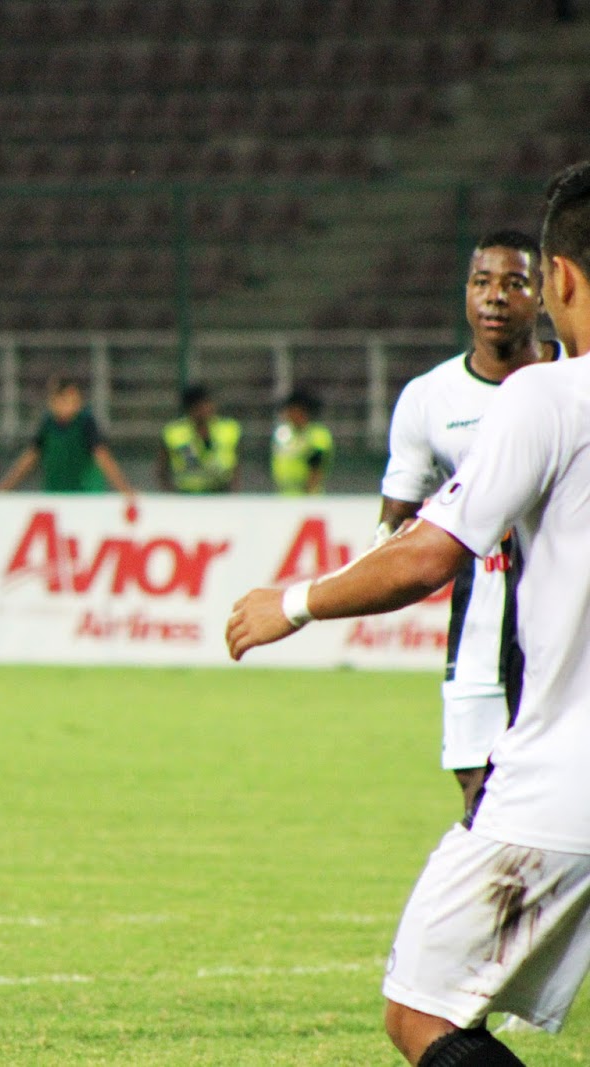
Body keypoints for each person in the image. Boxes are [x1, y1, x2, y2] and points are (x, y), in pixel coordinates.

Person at [225, 161, 590, 1067]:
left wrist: (295, 601)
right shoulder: (438, 397)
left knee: (419, 1009)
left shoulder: (546, 396)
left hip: (565, 776)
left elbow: (428, 552)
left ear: (561, 279)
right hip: (523, 727)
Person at [376, 229, 562, 819]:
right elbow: (395, 525)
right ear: (465, 293)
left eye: (514, 283)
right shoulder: (430, 398)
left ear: (544, 294)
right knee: (482, 804)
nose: (495, 298)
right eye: (482, 282)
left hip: (565, 620)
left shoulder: (574, 380)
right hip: (480, 625)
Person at [0, 375, 138, 507]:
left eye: (74, 401)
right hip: (56, 498)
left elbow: (103, 457)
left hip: (85, 499)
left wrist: (125, 489)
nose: (71, 405)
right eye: (65, 400)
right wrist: (4, 486)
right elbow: (29, 457)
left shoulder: (85, 422)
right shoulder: (48, 424)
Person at [158, 382, 241, 493]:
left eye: (208, 404)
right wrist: (171, 495)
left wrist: (235, 493)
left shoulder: (228, 429)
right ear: (190, 409)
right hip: (187, 493)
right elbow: (161, 469)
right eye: (200, 406)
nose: (206, 410)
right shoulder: (175, 433)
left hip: (220, 492)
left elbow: (236, 466)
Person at [269, 387, 333, 495]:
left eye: (291, 410)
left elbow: (316, 467)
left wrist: (307, 495)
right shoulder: (284, 433)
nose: (287, 414)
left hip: (306, 496)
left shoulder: (317, 434)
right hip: (284, 494)